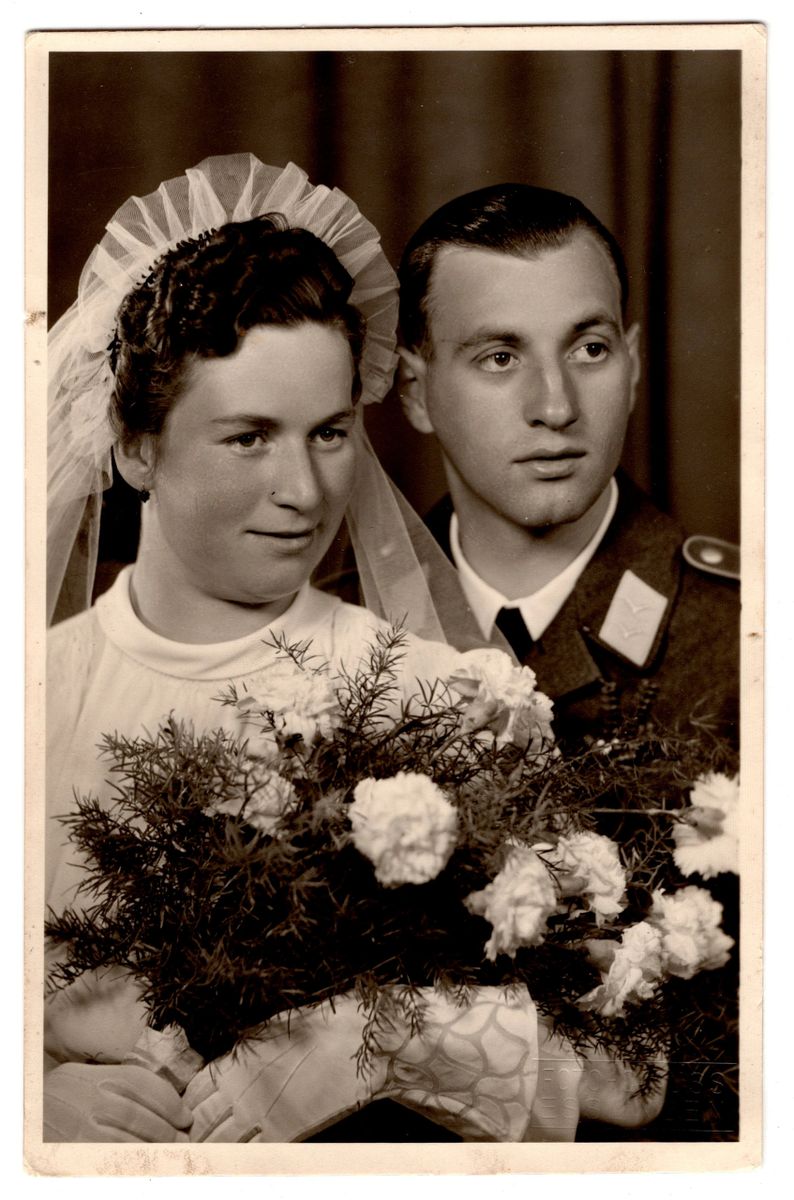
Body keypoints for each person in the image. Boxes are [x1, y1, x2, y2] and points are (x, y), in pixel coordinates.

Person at [42, 156, 664, 1144]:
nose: (302, 490)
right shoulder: (32, 704)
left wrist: (373, 1045)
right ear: (132, 443)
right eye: (248, 437)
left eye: (329, 433)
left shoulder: (448, 696)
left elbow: (634, 1072)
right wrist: (31, 1112)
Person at [397, 184, 739, 751]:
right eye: (500, 358)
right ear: (415, 392)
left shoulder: (748, 634)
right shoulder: (339, 623)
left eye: (590, 349)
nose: (557, 408)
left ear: (632, 366)